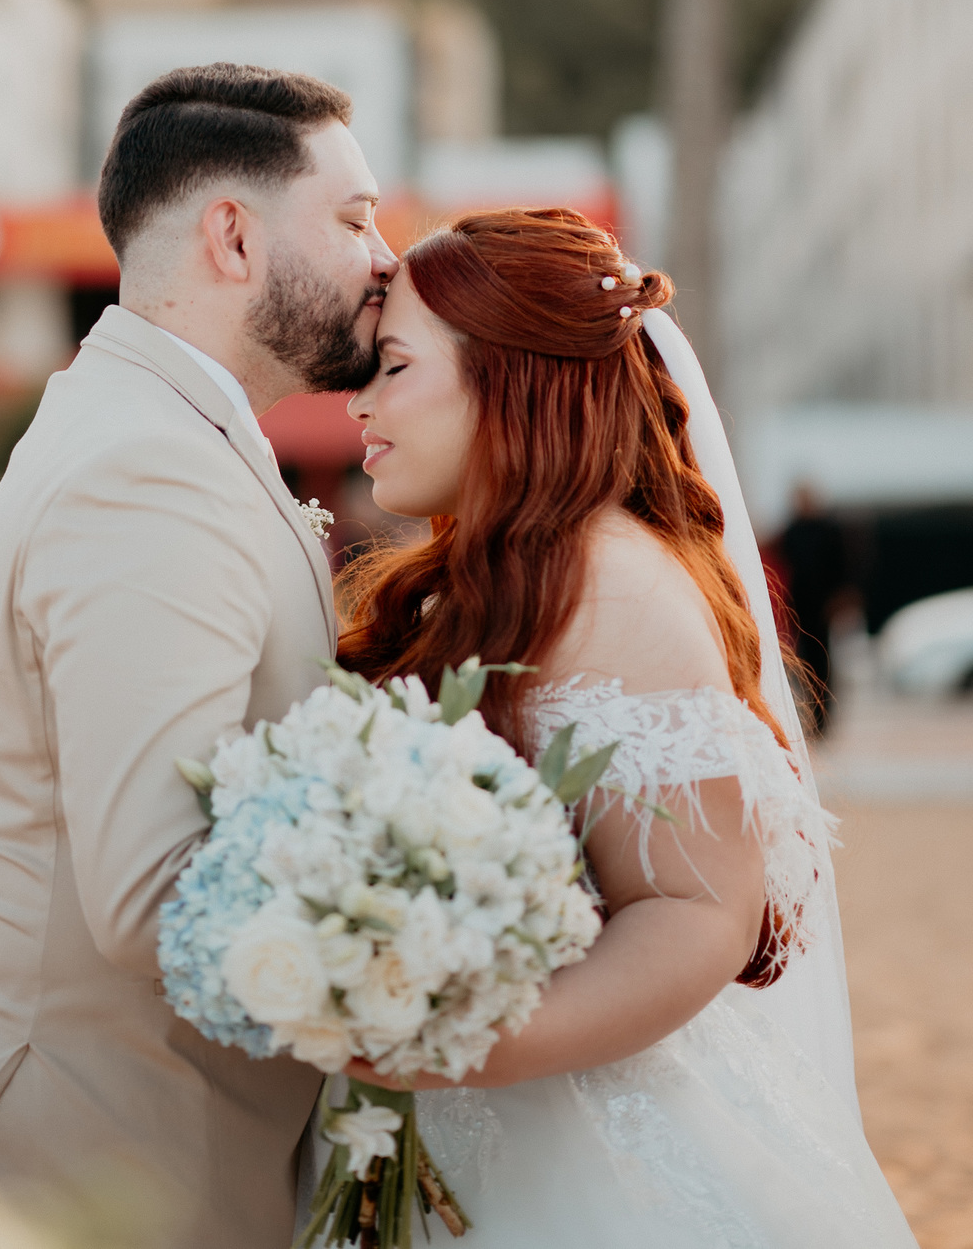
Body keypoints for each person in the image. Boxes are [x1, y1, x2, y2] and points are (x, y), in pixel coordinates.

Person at [0, 63, 398, 1249]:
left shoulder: (162, 428)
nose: (386, 259)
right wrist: (434, 953)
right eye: (356, 218)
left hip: (143, 1129)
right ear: (232, 234)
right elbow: (155, 891)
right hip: (94, 1153)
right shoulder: (147, 470)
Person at [338, 208, 916, 1247]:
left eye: (391, 366)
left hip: (592, 1149)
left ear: (508, 375)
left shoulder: (613, 588)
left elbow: (699, 908)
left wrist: (469, 1041)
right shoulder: (506, 575)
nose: (360, 402)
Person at [779, 482, 848, 735]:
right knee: (802, 662)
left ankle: (825, 717)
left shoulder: (829, 530)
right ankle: (810, 715)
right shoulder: (792, 531)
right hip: (799, 606)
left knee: (823, 663)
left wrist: (838, 600)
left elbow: (841, 568)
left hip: (823, 606)